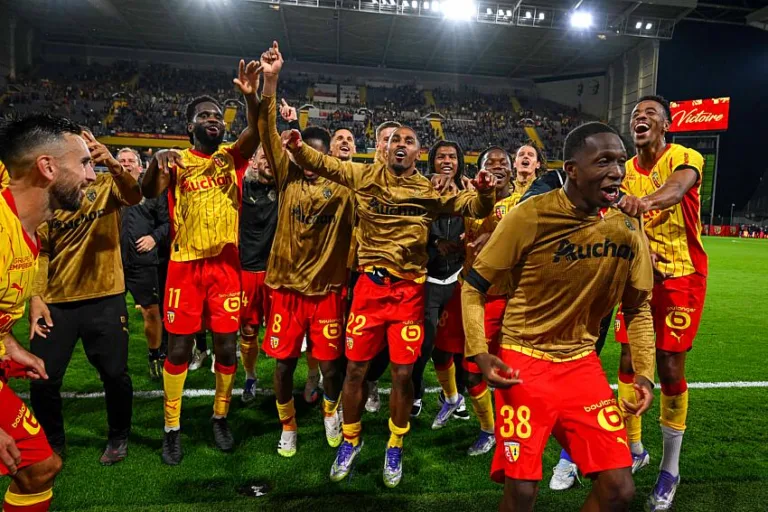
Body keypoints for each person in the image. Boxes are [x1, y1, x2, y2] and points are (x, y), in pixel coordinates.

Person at [282, 101, 497, 488]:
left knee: (402, 374)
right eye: (395, 139)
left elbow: (474, 206)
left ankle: (395, 444)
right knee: (355, 371)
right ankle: (351, 440)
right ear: (384, 148)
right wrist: (297, 146)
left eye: (409, 141)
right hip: (368, 289)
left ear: (418, 152)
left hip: (409, 293)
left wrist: (485, 192)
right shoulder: (364, 175)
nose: (401, 144)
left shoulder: (428, 190)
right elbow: (324, 163)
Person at [463, 122, 657, 512]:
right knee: (522, 492)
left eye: (620, 161)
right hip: (523, 361)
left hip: (581, 366)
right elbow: (473, 287)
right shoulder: (530, 215)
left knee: (619, 490)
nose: (616, 172)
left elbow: (638, 307)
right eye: (603, 161)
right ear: (571, 169)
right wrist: (480, 352)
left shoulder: (626, 225)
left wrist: (644, 373)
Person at [140, 58, 263, 465]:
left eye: (217, 116)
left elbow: (256, 131)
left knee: (227, 349)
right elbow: (148, 190)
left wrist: (251, 98)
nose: (213, 119)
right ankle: (171, 427)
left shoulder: (232, 158)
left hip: (226, 266)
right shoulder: (176, 162)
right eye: (204, 116)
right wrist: (156, 160)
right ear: (190, 126)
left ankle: (220, 416)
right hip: (185, 267)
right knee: (178, 350)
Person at [258, 43, 354, 457]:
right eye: (302, 151)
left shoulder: (344, 187)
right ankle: (288, 425)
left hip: (327, 291)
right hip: (286, 290)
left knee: (331, 367)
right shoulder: (288, 178)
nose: (308, 158)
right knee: (283, 366)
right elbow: (266, 130)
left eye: (316, 152)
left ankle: (330, 411)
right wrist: (271, 81)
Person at [615, 95, 707, 512]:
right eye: (636, 114)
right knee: (629, 357)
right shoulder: (623, 171)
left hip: (681, 275)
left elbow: (677, 188)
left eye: (650, 113)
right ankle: (634, 448)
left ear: (666, 125)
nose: (641, 117)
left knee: (669, 366)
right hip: (638, 276)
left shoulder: (684, 156)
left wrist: (644, 203)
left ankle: (670, 468)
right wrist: (638, 246)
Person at [29, 130, 141, 466]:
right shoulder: (48, 197)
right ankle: (53, 441)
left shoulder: (106, 185)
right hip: (56, 302)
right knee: (43, 377)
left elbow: (134, 195)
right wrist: (36, 296)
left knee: (115, 375)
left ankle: (119, 435)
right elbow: (41, 251)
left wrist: (113, 163)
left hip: (105, 298)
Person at [0, 114, 95, 512]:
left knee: (39, 468)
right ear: (48, 167)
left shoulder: (27, 229)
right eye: (84, 163)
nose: (91, 176)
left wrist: (9, 345)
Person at [430, 146, 515, 458]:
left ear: (511, 170)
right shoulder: (471, 199)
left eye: (503, 162)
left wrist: (496, 238)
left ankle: (491, 430)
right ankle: (453, 399)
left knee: (476, 370)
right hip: (465, 287)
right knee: (440, 350)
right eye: (490, 163)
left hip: (499, 297)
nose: (497, 166)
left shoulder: (523, 202)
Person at [410, 140, 469, 420]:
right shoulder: (421, 188)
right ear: (432, 160)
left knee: (456, 345)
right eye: (441, 156)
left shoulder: (468, 191)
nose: (447, 161)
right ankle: (416, 393)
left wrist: (468, 236)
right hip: (428, 278)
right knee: (424, 344)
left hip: (457, 278)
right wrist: (435, 241)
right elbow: (412, 226)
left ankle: (454, 395)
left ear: (459, 162)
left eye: (452, 157)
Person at [118, 148, 170, 380]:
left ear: (140, 167)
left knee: (151, 311)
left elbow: (167, 223)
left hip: (144, 263)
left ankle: (154, 355)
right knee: (114, 317)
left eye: (131, 161)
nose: (126, 164)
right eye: (122, 161)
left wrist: (153, 238)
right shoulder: (107, 190)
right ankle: (115, 360)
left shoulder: (152, 192)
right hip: (114, 265)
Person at [362, 120, 402, 415]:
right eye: (387, 139)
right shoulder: (361, 176)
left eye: (398, 139)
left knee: (387, 340)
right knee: (357, 336)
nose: (393, 144)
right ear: (378, 145)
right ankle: (348, 387)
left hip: (397, 274)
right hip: (360, 268)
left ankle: (372, 380)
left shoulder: (410, 180)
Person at [238, 146, 278, 404]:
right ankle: (250, 376)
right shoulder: (241, 187)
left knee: (282, 332)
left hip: (277, 274)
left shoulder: (285, 188)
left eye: (273, 157)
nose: (269, 161)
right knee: (248, 329)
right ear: (253, 162)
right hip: (247, 270)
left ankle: (282, 379)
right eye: (264, 156)